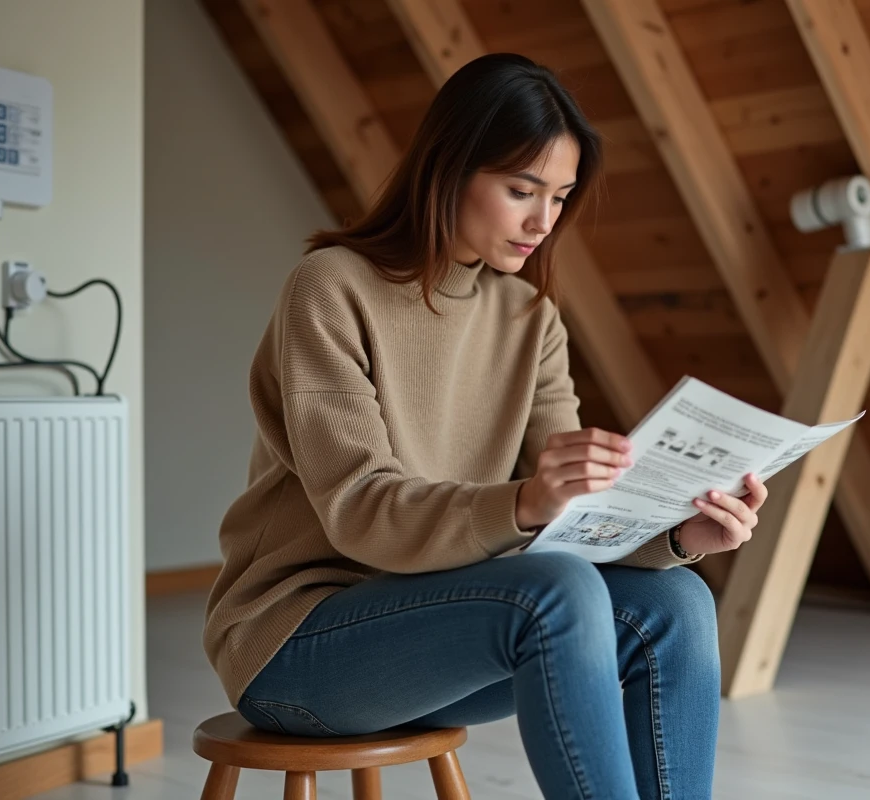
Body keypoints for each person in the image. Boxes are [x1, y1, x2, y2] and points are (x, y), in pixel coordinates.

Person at [203, 52, 768, 800]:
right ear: (450, 168)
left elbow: (576, 520)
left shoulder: (531, 321)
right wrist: (525, 502)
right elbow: (362, 512)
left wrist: (676, 537)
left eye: (560, 197)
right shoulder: (331, 289)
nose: (544, 221)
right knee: (554, 590)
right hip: (298, 648)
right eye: (520, 190)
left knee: (676, 603)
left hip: (443, 642)